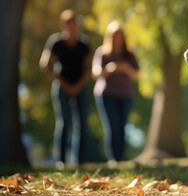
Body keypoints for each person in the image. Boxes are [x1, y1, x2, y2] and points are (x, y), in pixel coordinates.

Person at [39, 9, 92, 169]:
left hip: (79, 87)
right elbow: (45, 64)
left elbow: (90, 68)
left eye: (74, 23)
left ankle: (79, 161)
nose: (71, 26)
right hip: (62, 87)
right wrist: (64, 83)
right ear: (63, 25)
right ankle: (61, 161)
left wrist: (78, 86)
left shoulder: (83, 44)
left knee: (82, 123)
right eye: (68, 23)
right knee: (64, 123)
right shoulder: (56, 42)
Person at [92, 21, 139, 168]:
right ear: (110, 37)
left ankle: (121, 157)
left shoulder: (129, 54)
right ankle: (113, 158)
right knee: (112, 126)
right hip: (107, 95)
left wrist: (125, 68)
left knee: (122, 126)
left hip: (125, 95)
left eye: (120, 35)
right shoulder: (102, 52)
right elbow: (96, 73)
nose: (118, 38)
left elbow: (135, 75)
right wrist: (111, 69)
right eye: (115, 35)